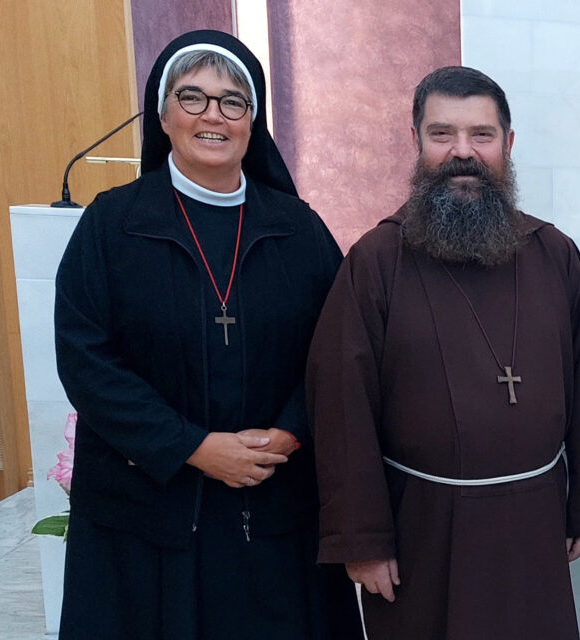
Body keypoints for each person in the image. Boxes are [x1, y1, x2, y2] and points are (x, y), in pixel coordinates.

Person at [306, 65, 580, 639]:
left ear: (507, 144)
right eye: (442, 135)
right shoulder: (378, 259)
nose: (463, 152)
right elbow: (342, 405)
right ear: (416, 142)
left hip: (534, 522)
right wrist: (363, 540)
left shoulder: (553, 254)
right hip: (421, 530)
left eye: (481, 135)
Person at [54, 29, 360, 640]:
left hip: (272, 499)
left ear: (253, 120)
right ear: (163, 114)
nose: (212, 116)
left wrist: (291, 432)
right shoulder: (113, 225)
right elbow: (87, 360)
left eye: (232, 101)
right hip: (149, 510)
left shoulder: (297, 228)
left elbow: (339, 349)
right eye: (192, 98)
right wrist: (191, 447)